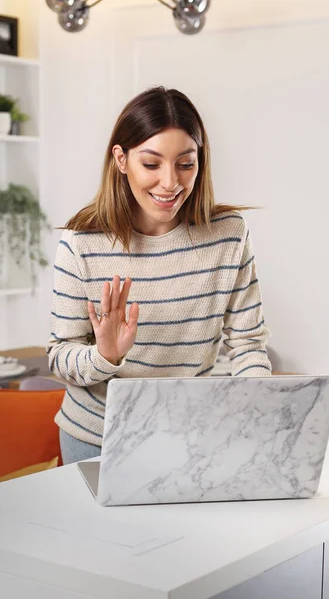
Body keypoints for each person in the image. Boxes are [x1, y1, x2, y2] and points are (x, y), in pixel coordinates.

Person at [47, 86, 271, 465]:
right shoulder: (82, 243)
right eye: (151, 164)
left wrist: (257, 408)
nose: (170, 183)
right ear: (121, 159)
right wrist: (105, 355)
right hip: (97, 438)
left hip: (191, 434)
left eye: (185, 164)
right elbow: (59, 355)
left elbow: (248, 344)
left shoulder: (229, 234)